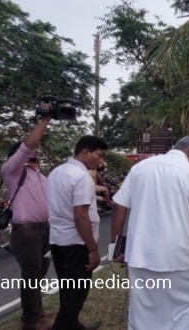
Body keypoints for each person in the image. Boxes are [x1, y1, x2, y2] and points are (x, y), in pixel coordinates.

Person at [111, 136, 189, 330]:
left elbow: (119, 206)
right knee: (187, 306)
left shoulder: (140, 168)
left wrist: (117, 246)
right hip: (177, 258)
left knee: (144, 310)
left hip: (139, 255)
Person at [47, 136, 108, 330]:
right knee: (76, 294)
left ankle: (74, 326)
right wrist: (92, 249)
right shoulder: (81, 177)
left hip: (58, 241)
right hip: (77, 244)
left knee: (67, 290)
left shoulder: (56, 173)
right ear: (85, 152)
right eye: (99, 155)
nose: (100, 161)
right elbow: (81, 217)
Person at [0, 104, 52, 330]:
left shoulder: (39, 175)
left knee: (40, 272)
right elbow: (28, 145)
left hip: (45, 228)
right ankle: (31, 321)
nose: (33, 154)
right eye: (29, 153)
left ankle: (36, 311)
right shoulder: (11, 170)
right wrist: (44, 120)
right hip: (27, 230)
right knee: (31, 275)